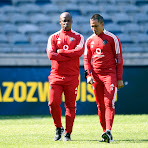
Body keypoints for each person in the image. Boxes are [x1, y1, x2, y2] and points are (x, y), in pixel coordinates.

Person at [84, 14, 124, 143]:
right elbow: (86, 60)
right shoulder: (89, 40)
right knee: (100, 106)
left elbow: (119, 60)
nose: (93, 29)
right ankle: (104, 132)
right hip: (96, 76)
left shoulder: (112, 38)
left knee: (109, 103)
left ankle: (108, 131)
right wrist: (88, 75)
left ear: (102, 24)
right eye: (91, 26)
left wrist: (119, 78)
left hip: (109, 75)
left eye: (95, 26)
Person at [46, 12, 85, 141]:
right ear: (59, 21)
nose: (66, 23)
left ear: (72, 21)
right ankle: (58, 128)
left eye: (68, 20)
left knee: (70, 106)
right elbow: (51, 55)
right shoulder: (53, 37)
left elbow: (79, 52)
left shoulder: (78, 37)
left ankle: (68, 133)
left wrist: (61, 52)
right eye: (64, 20)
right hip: (56, 76)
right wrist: (70, 55)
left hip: (72, 77)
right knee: (52, 103)